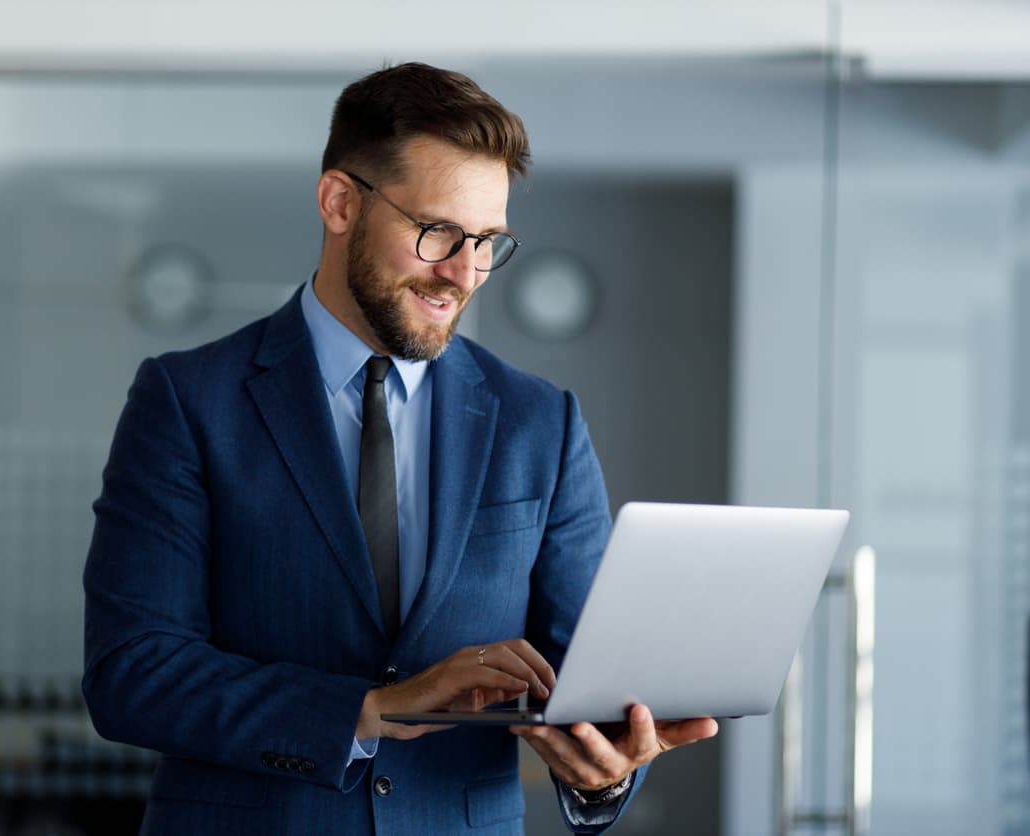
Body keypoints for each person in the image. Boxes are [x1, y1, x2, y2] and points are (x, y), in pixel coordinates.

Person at [82, 62, 717, 835]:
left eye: (488, 242)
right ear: (340, 202)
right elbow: (133, 673)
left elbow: (584, 676)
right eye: (439, 232)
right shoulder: (188, 401)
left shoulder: (539, 422)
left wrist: (603, 772)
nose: (463, 273)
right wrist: (367, 710)